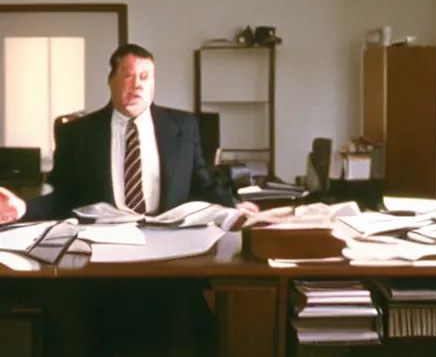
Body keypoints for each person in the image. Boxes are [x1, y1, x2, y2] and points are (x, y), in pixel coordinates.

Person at [0, 42, 259, 222]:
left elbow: (201, 185)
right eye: (128, 76)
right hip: (102, 247)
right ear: (111, 80)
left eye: (145, 77)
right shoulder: (77, 133)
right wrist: (24, 207)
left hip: (169, 244)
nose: (137, 85)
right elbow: (62, 197)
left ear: (154, 83)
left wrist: (233, 205)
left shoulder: (183, 126)